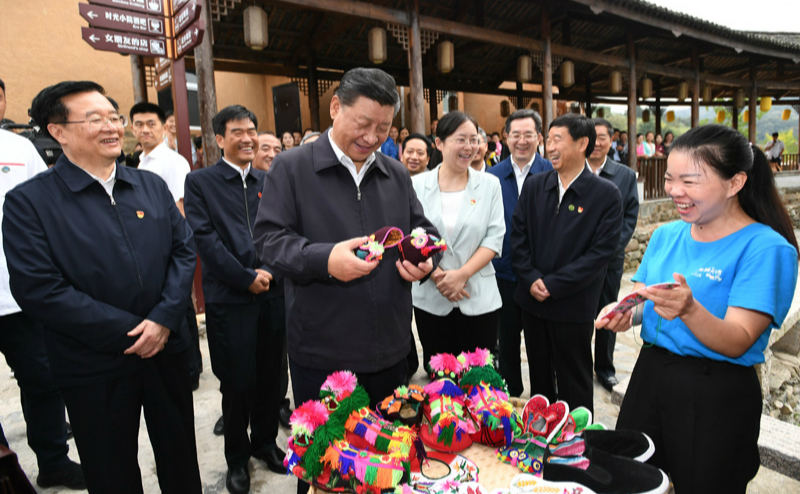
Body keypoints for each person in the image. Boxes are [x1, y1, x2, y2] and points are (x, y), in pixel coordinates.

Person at [4, 81, 201, 494]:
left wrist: (163, 320)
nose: (112, 126)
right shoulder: (30, 203)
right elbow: (40, 289)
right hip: (93, 364)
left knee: (181, 460)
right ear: (58, 131)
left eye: (114, 116)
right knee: (111, 474)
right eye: (95, 119)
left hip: (166, 351)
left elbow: (184, 252)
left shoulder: (149, 185)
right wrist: (133, 331)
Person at [252, 68, 441, 494]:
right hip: (324, 356)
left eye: (384, 128)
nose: (373, 137)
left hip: (391, 351)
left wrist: (426, 259)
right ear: (336, 107)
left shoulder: (394, 173)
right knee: (327, 470)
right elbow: (268, 242)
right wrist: (324, 258)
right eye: (363, 124)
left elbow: (423, 231)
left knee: (390, 465)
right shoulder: (292, 167)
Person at [597, 124, 799, 494]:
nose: (675, 191)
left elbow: (738, 340)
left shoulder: (765, 248)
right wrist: (626, 311)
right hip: (650, 376)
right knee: (631, 479)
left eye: (689, 181)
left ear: (735, 183)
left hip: (715, 392)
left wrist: (690, 309)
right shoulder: (665, 235)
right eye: (671, 179)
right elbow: (648, 300)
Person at [184, 105, 286, 494]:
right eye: (237, 131)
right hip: (231, 299)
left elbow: (283, 229)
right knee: (238, 382)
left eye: (252, 129)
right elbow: (205, 239)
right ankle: (237, 459)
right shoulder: (201, 183)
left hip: (273, 293)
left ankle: (265, 444)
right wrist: (245, 278)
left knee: (269, 378)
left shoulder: (269, 179)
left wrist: (272, 272)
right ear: (220, 139)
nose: (247, 137)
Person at [0, 77, 85, 490]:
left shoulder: (18, 150)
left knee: (42, 380)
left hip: (20, 295)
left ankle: (53, 459)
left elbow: (47, 207)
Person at [511, 113, 622, 414]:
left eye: (558, 140)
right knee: (540, 381)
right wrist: (530, 277)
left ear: (583, 143)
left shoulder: (604, 194)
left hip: (573, 306)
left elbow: (600, 254)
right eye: (548, 140)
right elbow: (517, 236)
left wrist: (554, 284)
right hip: (533, 303)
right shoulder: (535, 186)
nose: (550, 147)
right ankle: (541, 439)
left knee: (575, 381)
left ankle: (579, 445)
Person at [412, 111, 504, 368]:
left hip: (478, 296)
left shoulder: (490, 185)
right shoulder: (417, 185)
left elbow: (495, 237)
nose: (469, 147)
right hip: (432, 296)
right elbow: (412, 237)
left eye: (473, 140)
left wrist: (461, 274)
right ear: (439, 143)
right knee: (440, 380)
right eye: (460, 139)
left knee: (480, 378)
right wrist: (439, 276)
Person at [129, 102, 202, 391]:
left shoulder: (173, 162)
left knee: (182, 307)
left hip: (170, 248)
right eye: (139, 124)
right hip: (149, 250)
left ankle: (192, 368)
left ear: (163, 127)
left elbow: (180, 209)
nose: (144, 130)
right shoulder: (141, 161)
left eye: (151, 124)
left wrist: (175, 250)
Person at [487, 109, 552, 397]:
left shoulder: (552, 172)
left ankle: (544, 401)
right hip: (503, 274)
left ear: (539, 137)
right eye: (516, 135)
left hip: (541, 278)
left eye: (529, 135)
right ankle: (510, 397)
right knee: (507, 340)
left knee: (542, 346)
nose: (522, 141)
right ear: (506, 138)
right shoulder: (492, 177)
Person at [588, 118, 639, 392]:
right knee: (579, 316)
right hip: (577, 261)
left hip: (610, 260)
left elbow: (629, 219)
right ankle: (578, 366)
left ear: (611, 141)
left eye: (602, 137)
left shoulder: (625, 175)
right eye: (592, 137)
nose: (597, 143)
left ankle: (605, 369)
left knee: (608, 312)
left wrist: (608, 249)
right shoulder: (574, 171)